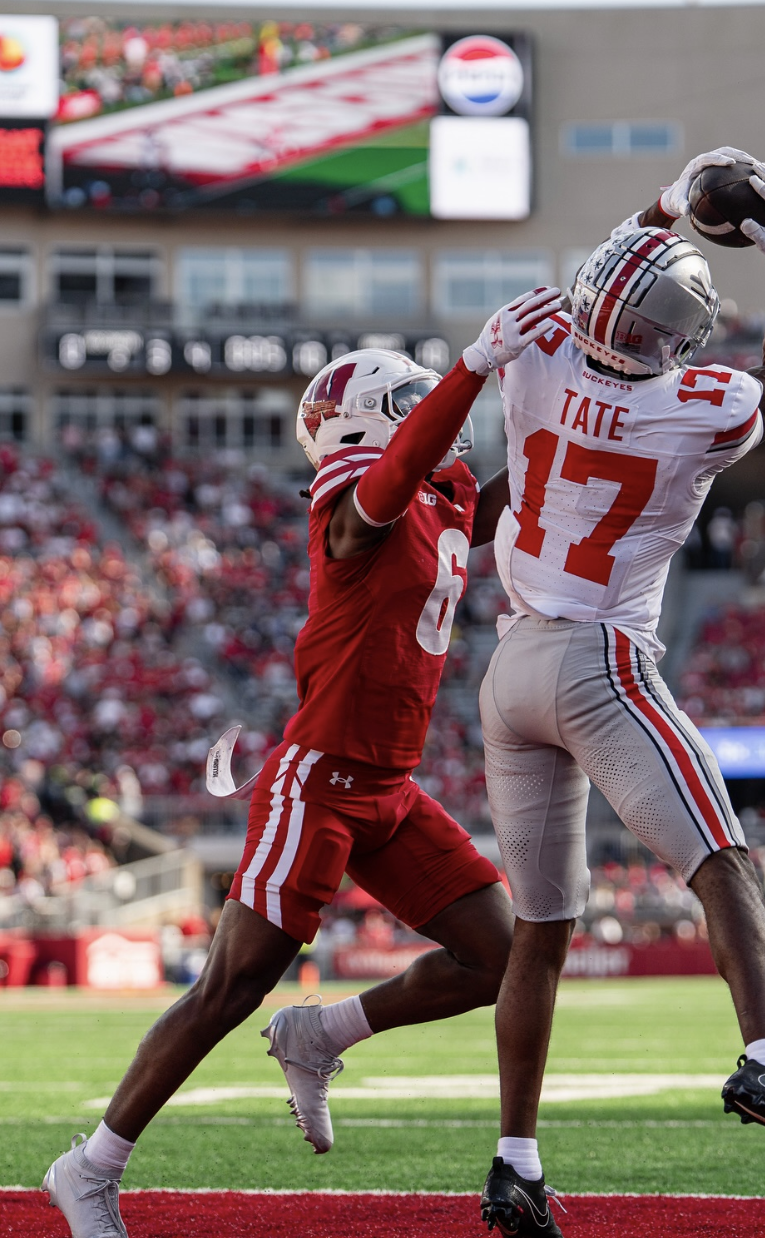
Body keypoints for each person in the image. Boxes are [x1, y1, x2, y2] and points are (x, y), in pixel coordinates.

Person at [42, 285, 562, 1238]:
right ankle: (89, 1167)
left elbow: (510, 494)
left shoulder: (435, 502)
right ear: (370, 421)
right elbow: (387, 488)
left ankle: (323, 1031)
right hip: (319, 777)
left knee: (505, 956)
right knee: (231, 985)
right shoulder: (353, 499)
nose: (437, 426)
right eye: (409, 405)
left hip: (392, 788)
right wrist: (474, 367)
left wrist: (562, 409)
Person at [476, 150, 765, 1236]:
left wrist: (668, 203)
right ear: (673, 341)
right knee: (724, 862)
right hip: (599, 659)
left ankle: (515, 1159)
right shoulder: (691, 404)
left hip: (507, 665)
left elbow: (613, 265)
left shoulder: (538, 351)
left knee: (540, 933)